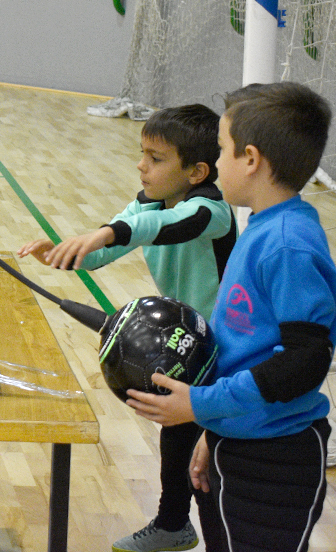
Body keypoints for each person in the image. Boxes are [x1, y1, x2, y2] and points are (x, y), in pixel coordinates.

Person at [19, 103, 238, 552]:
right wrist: (64, 252)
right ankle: (173, 525)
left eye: (156, 159)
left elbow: (157, 228)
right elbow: (117, 242)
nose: (141, 166)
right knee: (177, 440)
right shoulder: (148, 202)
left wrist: (106, 232)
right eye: (142, 154)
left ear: (197, 172)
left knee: (210, 454)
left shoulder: (211, 212)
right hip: (185, 346)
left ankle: (218, 534)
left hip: (225, 348)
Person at [127, 82, 336, 552]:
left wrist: (202, 406)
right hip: (239, 444)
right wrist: (215, 433)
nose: (217, 164)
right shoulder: (264, 227)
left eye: (222, 150)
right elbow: (248, 346)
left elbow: (304, 363)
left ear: (251, 159)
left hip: (275, 462)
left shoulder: (288, 243)